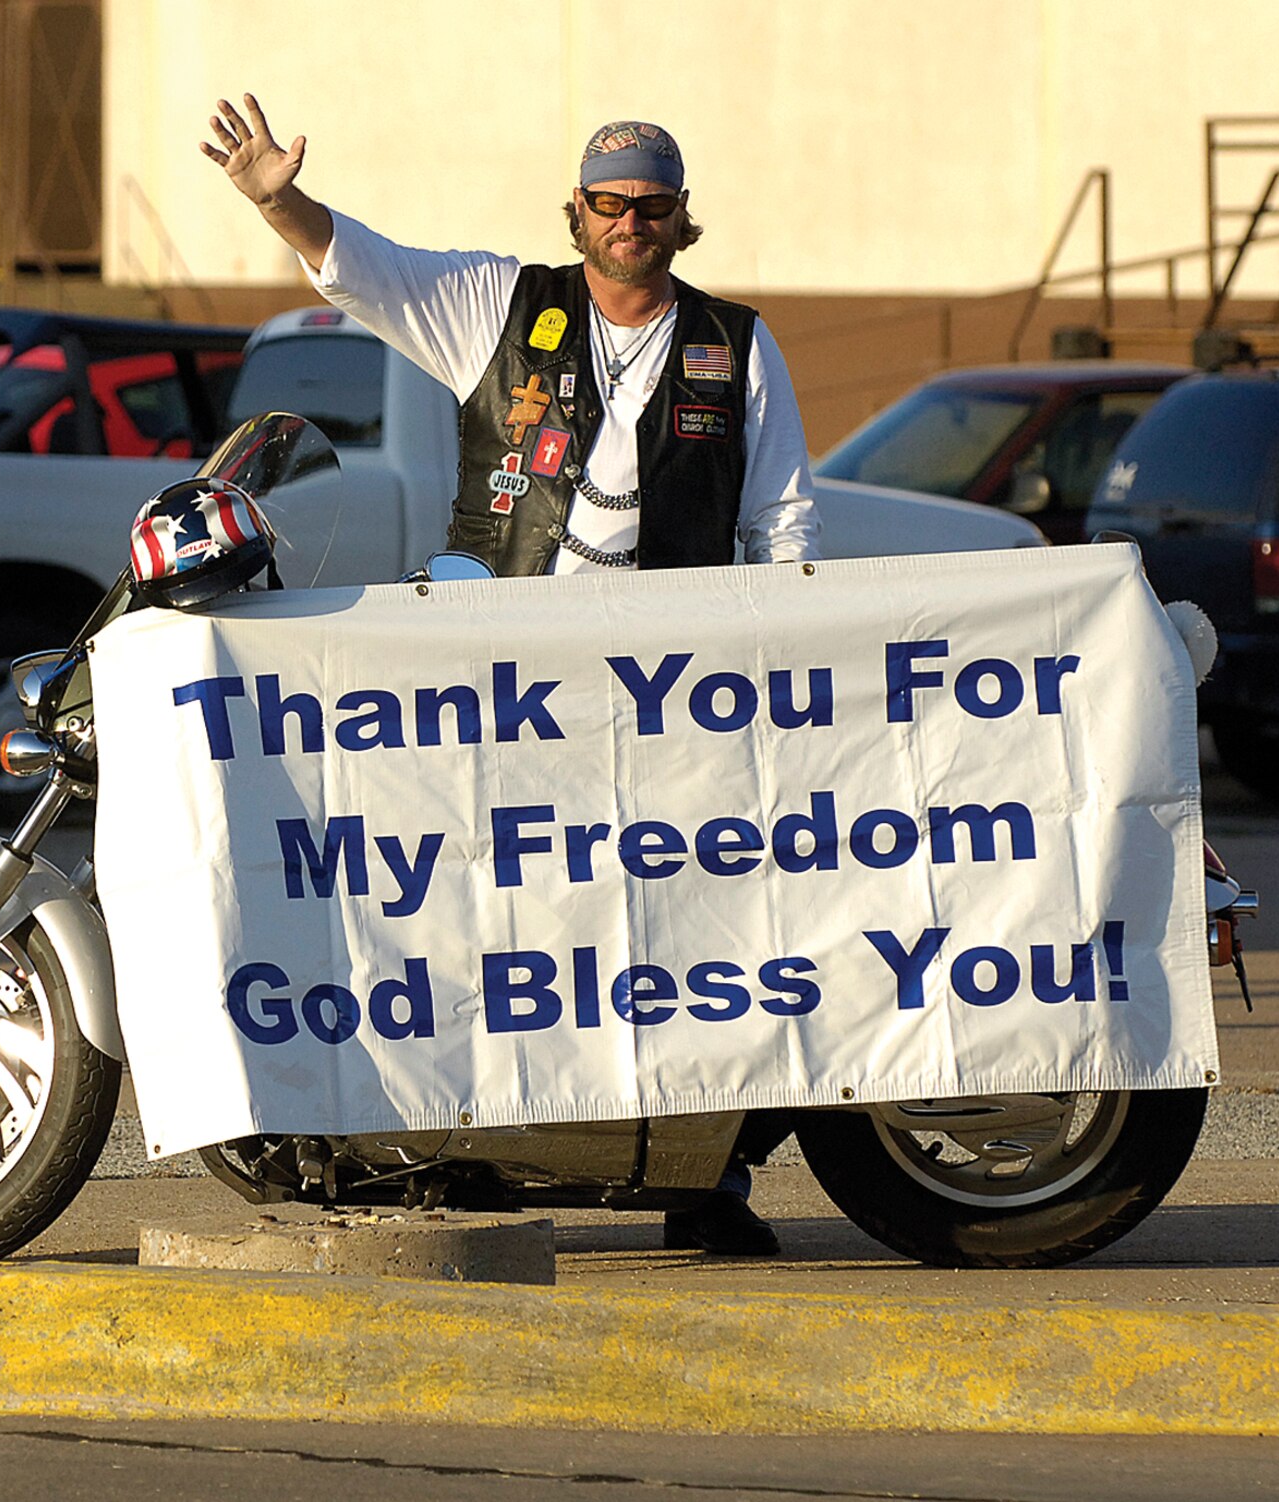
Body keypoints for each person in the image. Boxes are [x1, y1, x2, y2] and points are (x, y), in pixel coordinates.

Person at [203, 95, 816, 1255]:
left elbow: (781, 524)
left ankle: (704, 1171)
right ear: (575, 211)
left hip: (669, 701)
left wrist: (775, 667)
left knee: (683, 932)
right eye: (607, 201)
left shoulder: (735, 342)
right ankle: (460, 1138)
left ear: (681, 219)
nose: (628, 221)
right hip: (503, 689)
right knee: (488, 917)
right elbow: (362, 269)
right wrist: (279, 198)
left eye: (650, 204)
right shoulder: (500, 304)